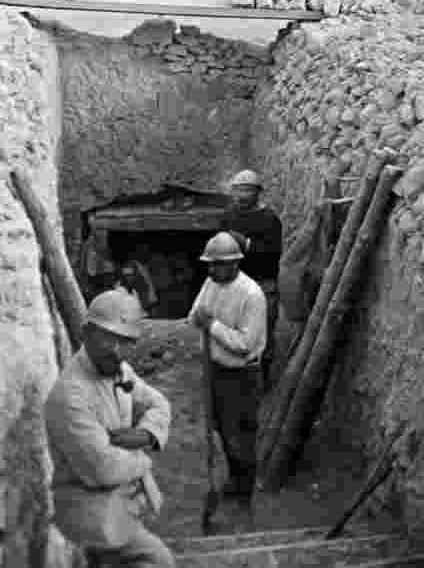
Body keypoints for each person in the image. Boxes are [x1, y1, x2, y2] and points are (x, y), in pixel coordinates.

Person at [45, 290, 174, 568]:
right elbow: (102, 468)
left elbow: (159, 404)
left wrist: (146, 434)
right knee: (159, 561)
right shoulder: (71, 395)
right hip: (90, 512)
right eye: (108, 338)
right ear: (86, 333)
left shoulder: (117, 370)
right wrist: (143, 458)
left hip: (120, 503)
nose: (117, 350)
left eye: (125, 341)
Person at [187, 232, 266, 514]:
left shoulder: (252, 295)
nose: (210, 270)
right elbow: (194, 315)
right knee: (221, 429)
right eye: (209, 264)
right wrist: (203, 321)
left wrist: (212, 326)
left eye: (217, 265)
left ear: (234, 263)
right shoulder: (211, 282)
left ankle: (244, 493)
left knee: (241, 436)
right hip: (216, 371)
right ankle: (234, 479)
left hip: (241, 378)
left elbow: (244, 345)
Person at [219, 170, 283, 385]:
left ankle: (262, 382)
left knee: (262, 336)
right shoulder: (229, 215)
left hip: (263, 285)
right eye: (237, 190)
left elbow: (273, 253)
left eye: (247, 190)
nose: (241, 196)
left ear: (257, 193)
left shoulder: (269, 218)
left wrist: (246, 244)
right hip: (235, 285)